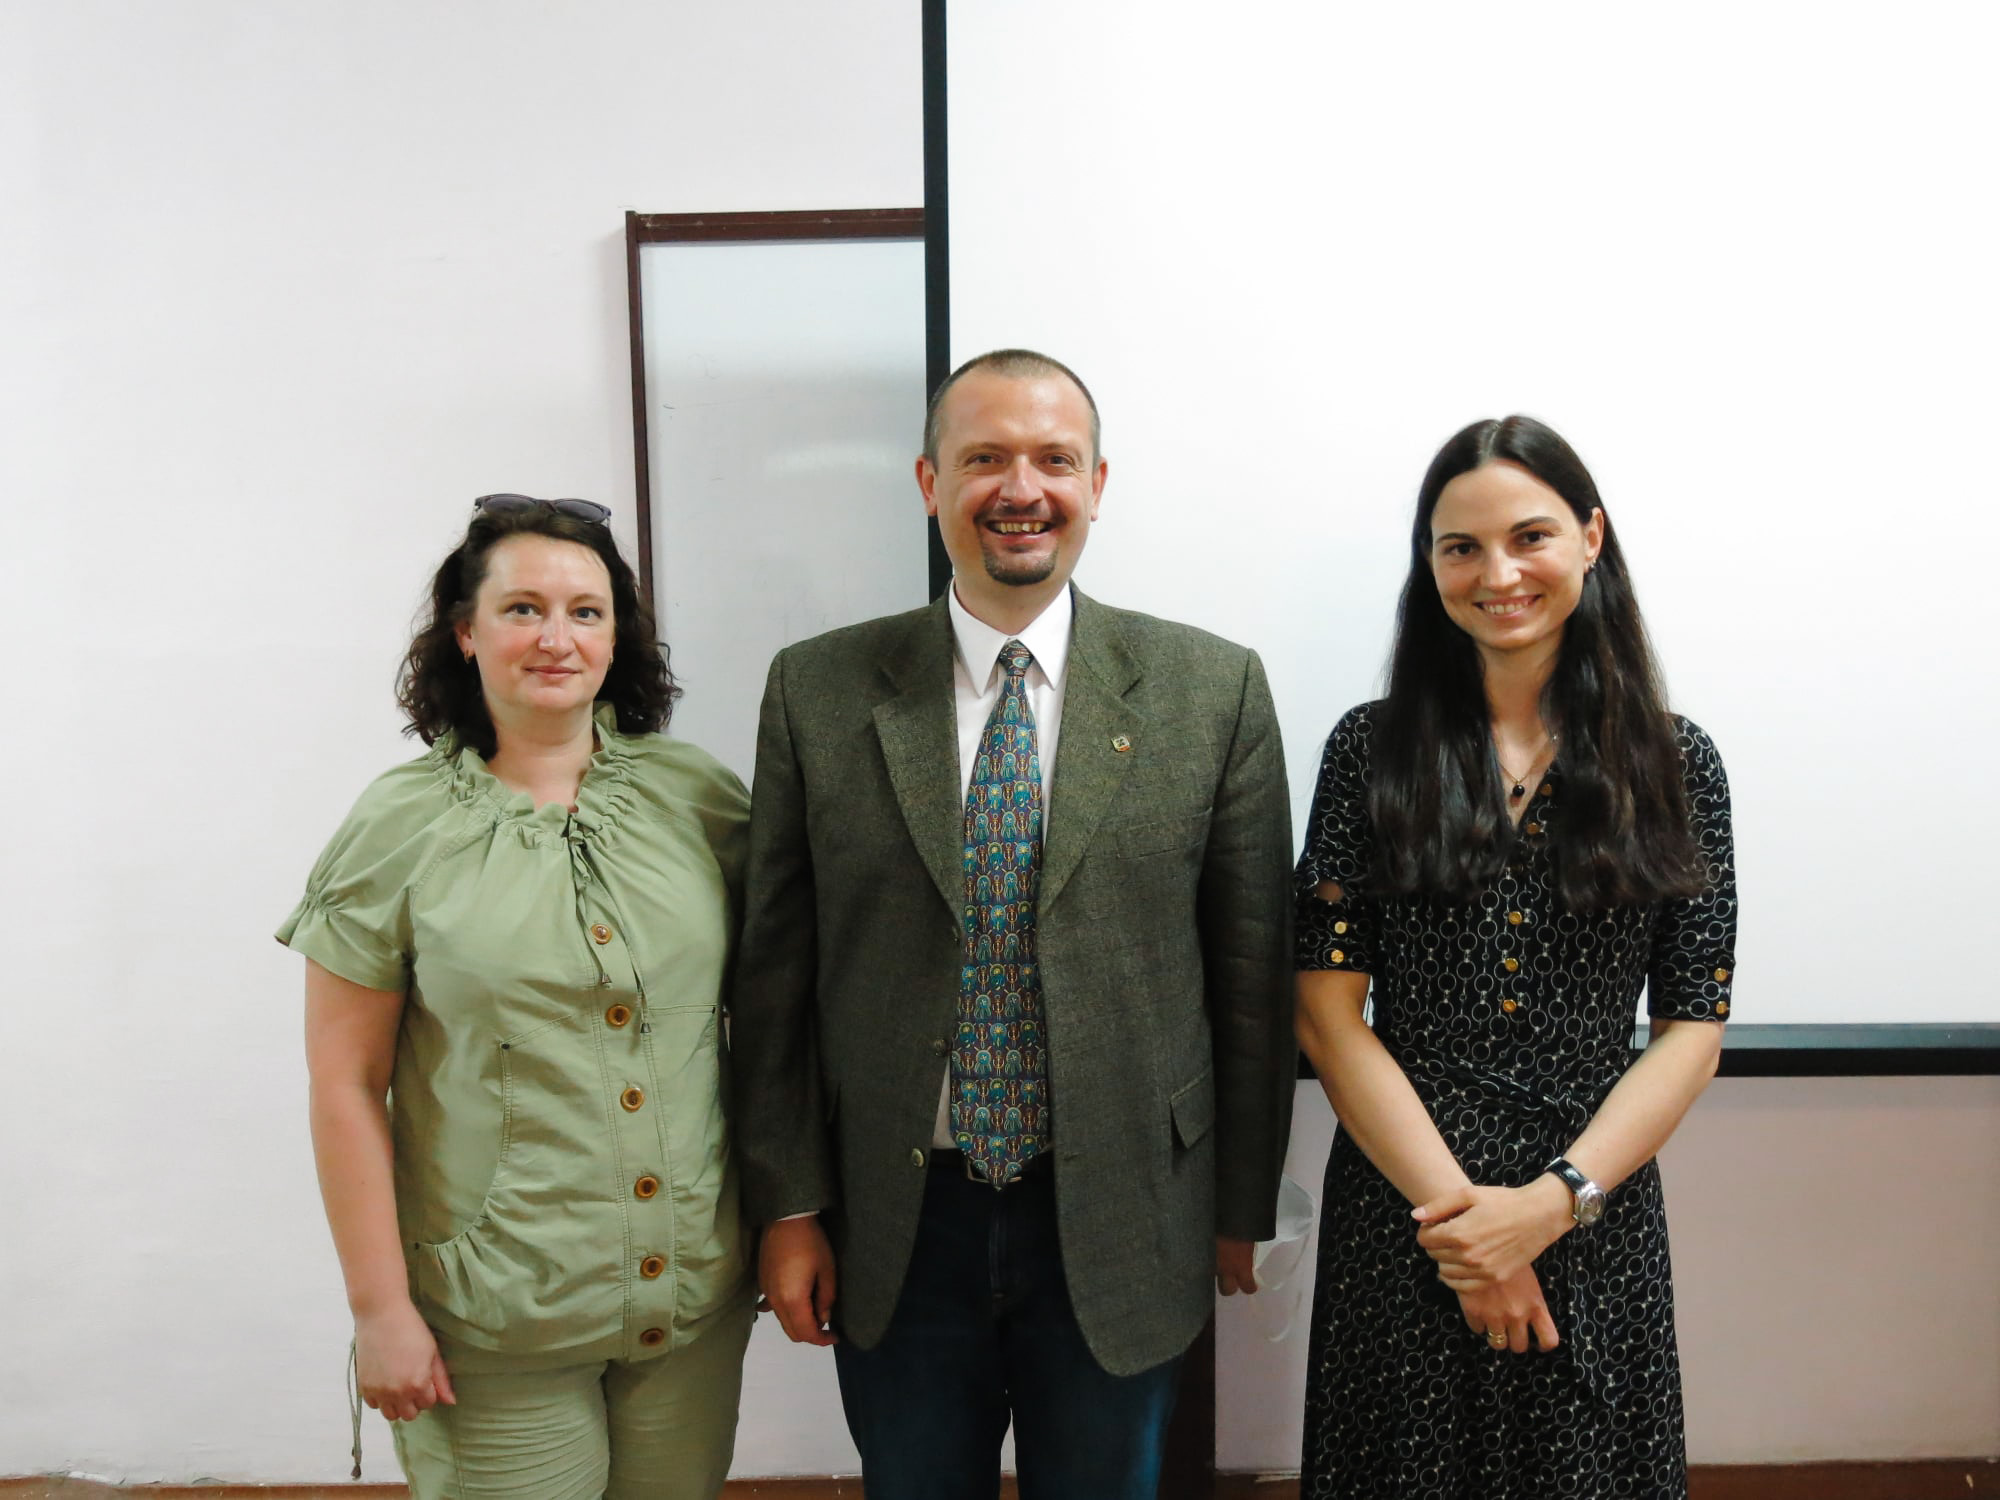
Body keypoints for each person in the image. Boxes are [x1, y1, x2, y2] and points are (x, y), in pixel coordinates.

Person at [729, 349, 1296, 1499]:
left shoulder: (1210, 689)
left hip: (1128, 1207)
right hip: (896, 1216)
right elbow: (775, 977)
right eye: (984, 458)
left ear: (1097, 484)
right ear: (929, 481)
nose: (1019, 488)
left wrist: (1238, 1205)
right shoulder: (817, 690)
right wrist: (784, 1206)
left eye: (1053, 459)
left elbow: (1250, 974)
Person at [1292, 416, 1737, 1499]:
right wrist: (1465, 1230)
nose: (1497, 575)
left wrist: (1549, 1204)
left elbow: (1691, 1029)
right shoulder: (1368, 751)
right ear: (1429, 564)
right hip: (1407, 1205)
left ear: (1591, 537)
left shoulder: (1676, 764)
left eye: (1529, 537)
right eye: (1460, 548)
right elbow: (1328, 1020)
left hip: (1590, 1205)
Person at [276, 496, 753, 1499]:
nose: (555, 638)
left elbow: (782, 1012)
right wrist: (379, 1311)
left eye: (586, 612)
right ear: (465, 632)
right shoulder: (396, 827)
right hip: (493, 1319)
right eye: (523, 609)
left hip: (690, 1309)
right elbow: (344, 1084)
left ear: (616, 637)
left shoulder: (697, 798)